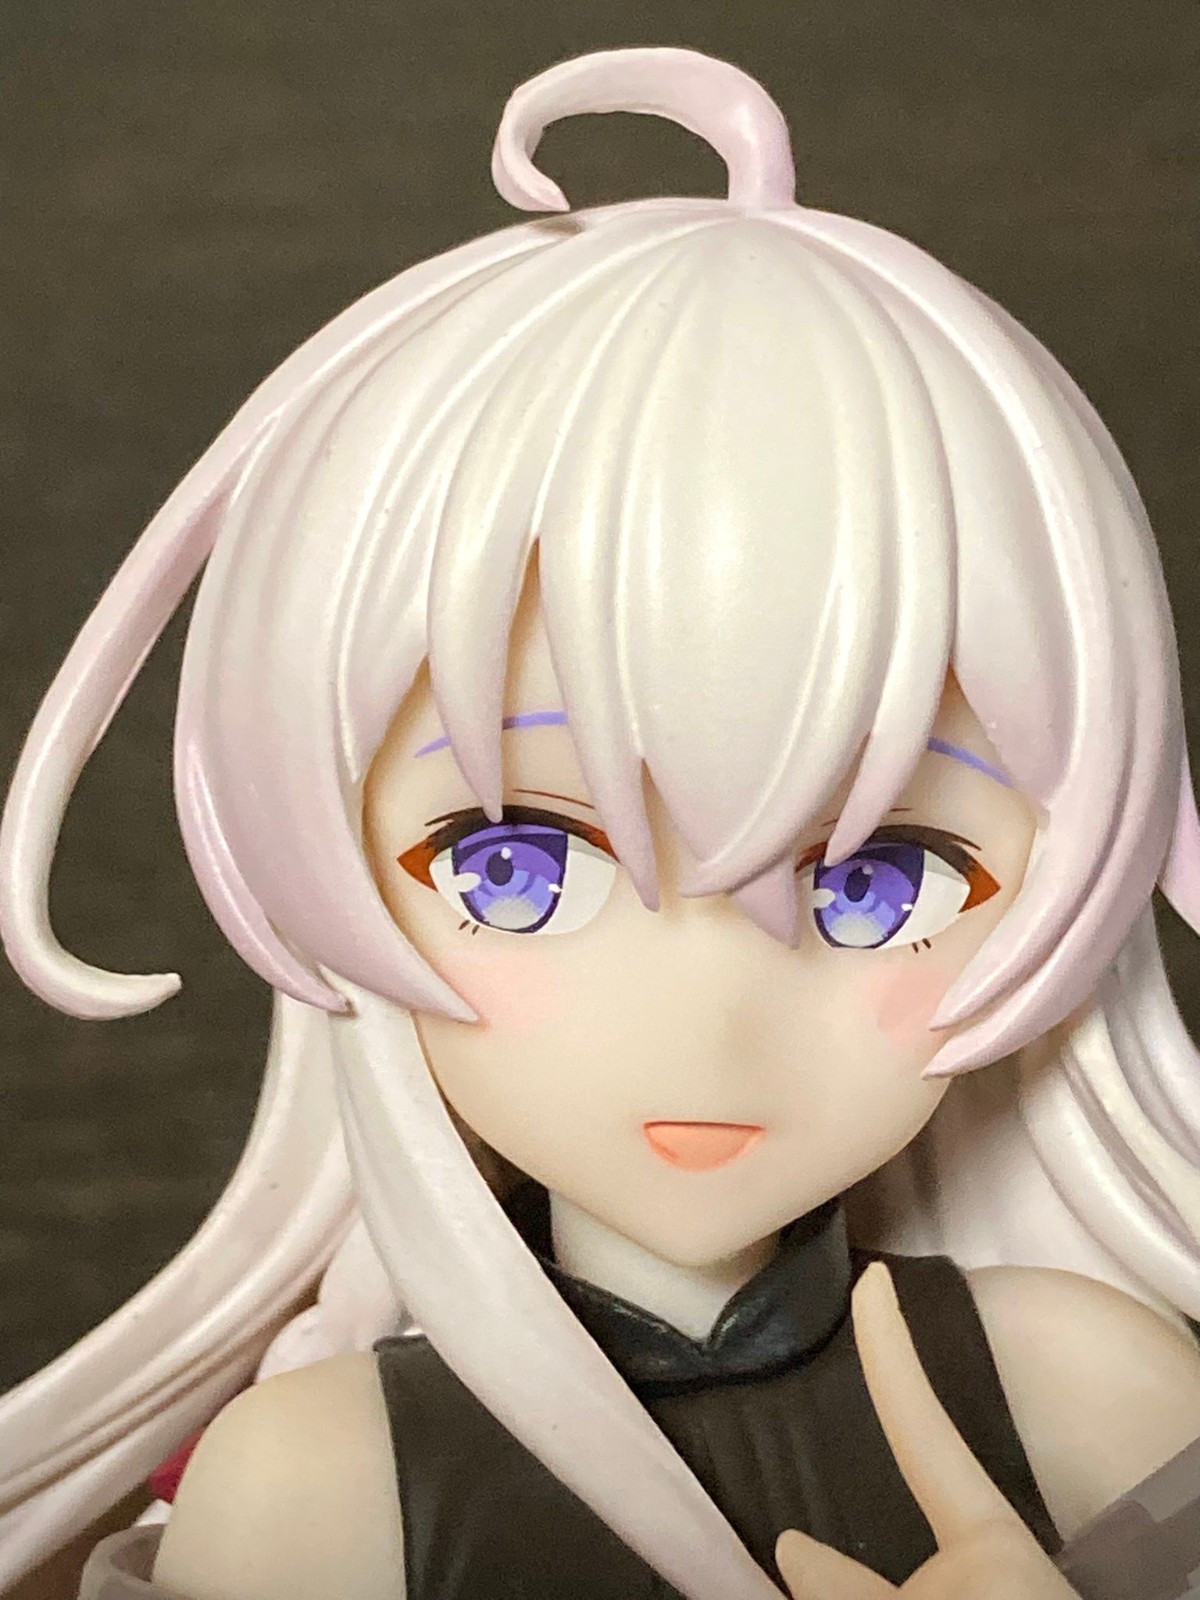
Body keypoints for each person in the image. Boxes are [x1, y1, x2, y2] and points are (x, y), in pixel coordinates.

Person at [4, 44, 1200, 1600]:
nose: (710, 1022)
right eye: (514, 865)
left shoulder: (1087, 1396)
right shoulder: (321, 1491)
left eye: (882, 880)